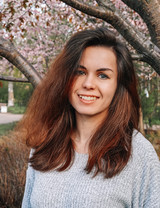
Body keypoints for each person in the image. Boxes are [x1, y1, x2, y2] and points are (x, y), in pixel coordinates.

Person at [21, 27, 160, 208]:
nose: (88, 84)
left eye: (103, 75)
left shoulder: (138, 153)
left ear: (119, 86)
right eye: (80, 72)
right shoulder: (45, 142)